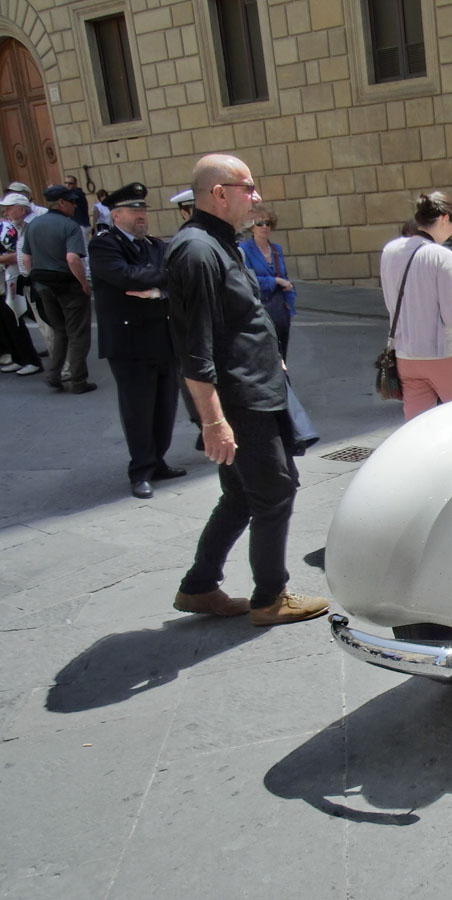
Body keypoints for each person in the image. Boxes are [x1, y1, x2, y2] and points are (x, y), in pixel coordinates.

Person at [166, 153, 328, 626]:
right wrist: (214, 421)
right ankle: (270, 597)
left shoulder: (223, 245)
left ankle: (199, 586)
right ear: (219, 193)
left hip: (258, 390)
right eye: (248, 188)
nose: (256, 198)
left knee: (241, 496)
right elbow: (194, 350)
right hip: (239, 401)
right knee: (276, 490)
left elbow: (240, 320)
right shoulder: (196, 251)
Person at [89, 182, 184, 499]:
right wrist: (158, 280)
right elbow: (126, 278)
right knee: (138, 410)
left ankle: (158, 461)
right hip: (130, 344)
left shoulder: (155, 246)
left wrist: (154, 286)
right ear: (116, 215)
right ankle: (140, 470)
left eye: (143, 210)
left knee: (165, 407)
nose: (142, 216)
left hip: (163, 339)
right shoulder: (105, 245)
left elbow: (171, 274)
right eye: (134, 210)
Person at [380, 191, 452, 419]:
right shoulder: (441, 255)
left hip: (406, 355)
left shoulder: (390, 251)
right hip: (444, 354)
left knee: (417, 429)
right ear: (445, 218)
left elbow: (391, 304)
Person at [20, 184, 94, 393]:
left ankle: (54, 374)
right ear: (61, 203)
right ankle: (78, 380)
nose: (74, 205)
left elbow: (27, 259)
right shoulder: (70, 226)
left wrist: (37, 279)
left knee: (59, 331)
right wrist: (84, 283)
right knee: (78, 333)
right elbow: (72, 258)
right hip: (67, 286)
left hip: (44, 285)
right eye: (72, 202)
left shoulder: (33, 225)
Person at [239, 206, 296, 360]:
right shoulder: (244, 250)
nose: (264, 227)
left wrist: (289, 304)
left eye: (267, 223)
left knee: (282, 355)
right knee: (267, 357)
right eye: (259, 223)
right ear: (251, 226)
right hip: (260, 310)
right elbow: (249, 280)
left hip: (280, 312)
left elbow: (285, 277)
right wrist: (275, 281)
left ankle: (284, 382)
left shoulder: (276, 249)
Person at [0, 193, 42, 375]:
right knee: (7, 322)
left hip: (12, 280)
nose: (6, 211)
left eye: (8, 208)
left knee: (15, 319)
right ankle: (18, 357)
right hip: (6, 281)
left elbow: (17, 255)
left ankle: (30, 359)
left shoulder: (6, 229)